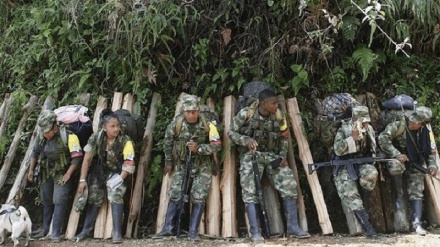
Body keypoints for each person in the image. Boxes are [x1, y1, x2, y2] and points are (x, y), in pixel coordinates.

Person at [228, 88, 310, 242]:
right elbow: (231, 132)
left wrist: (282, 156)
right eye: (273, 103)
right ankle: (255, 231)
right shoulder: (247, 113)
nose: (276, 106)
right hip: (252, 155)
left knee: (289, 183)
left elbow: (284, 137)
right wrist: (245, 140)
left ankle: (293, 227)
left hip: (272, 155)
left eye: (277, 103)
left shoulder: (279, 116)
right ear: (263, 103)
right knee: (249, 189)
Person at [153, 94, 221, 240]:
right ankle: (168, 228)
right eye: (188, 112)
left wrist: (200, 149)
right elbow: (168, 142)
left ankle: (193, 231)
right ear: (184, 111)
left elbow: (217, 146)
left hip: (203, 165)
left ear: (198, 111)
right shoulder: (176, 124)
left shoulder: (208, 124)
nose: (191, 115)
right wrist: (169, 162)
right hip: (182, 164)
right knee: (176, 193)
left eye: (194, 111)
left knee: (199, 195)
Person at [75, 109, 136, 244]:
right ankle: (85, 230)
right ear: (104, 127)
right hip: (102, 171)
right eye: (112, 126)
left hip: (119, 173)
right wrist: (82, 180)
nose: (116, 129)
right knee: (94, 195)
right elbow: (87, 159)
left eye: (117, 126)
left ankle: (117, 233)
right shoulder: (96, 138)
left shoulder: (126, 140)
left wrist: (120, 178)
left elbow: (129, 163)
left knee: (115, 195)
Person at [378, 106, 437, 235]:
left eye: (415, 123)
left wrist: (432, 166)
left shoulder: (426, 133)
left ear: (421, 124)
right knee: (396, 167)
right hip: (398, 160)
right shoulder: (400, 125)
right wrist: (396, 153)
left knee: (416, 187)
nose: (411, 124)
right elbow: (383, 138)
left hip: (415, 163)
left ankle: (417, 223)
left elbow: (431, 152)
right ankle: (398, 203)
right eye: (411, 121)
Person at [27, 110, 84, 242]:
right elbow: (34, 153)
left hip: (62, 172)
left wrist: (68, 174)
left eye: (48, 131)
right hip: (46, 172)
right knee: (46, 199)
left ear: (55, 126)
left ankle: (56, 233)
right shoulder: (42, 136)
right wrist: (31, 170)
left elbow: (77, 157)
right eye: (44, 131)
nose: (45, 134)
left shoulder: (69, 136)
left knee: (59, 199)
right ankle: (45, 229)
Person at [333, 105, 378, 239]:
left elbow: (372, 148)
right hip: (344, 165)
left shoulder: (368, 129)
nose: (365, 123)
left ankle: (365, 205)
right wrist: (351, 139)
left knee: (371, 174)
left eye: (366, 121)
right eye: (362, 121)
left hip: (361, 163)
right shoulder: (344, 129)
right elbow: (338, 149)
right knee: (351, 195)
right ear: (354, 119)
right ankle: (368, 228)